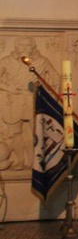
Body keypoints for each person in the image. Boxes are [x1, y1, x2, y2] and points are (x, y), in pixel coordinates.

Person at [0, 36, 60, 170]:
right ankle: (20, 161)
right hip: (13, 100)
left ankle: (33, 160)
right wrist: (9, 88)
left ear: (33, 47)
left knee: (35, 131)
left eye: (28, 46)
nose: (24, 48)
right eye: (21, 45)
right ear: (16, 47)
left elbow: (56, 79)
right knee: (15, 132)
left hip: (33, 99)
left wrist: (51, 98)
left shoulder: (42, 62)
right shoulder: (6, 61)